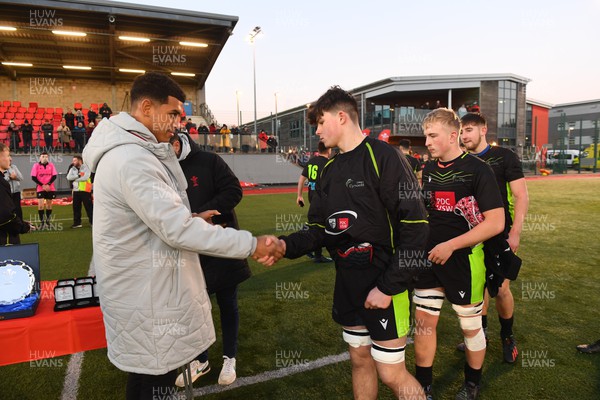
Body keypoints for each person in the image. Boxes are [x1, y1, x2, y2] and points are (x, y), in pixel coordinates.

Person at [82, 71, 282, 400]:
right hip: (148, 301)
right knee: (152, 386)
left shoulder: (135, 152)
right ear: (147, 107)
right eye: (173, 113)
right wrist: (252, 243)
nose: (179, 122)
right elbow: (177, 230)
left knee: (149, 381)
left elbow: (165, 221)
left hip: (146, 296)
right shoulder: (131, 158)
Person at [276, 86, 429, 400]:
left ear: (341, 116)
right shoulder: (329, 171)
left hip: (385, 284)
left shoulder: (384, 157)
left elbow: (416, 228)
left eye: (320, 121)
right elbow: (318, 230)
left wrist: (388, 287)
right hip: (348, 283)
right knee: (360, 361)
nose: (316, 130)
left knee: (390, 371)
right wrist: (284, 246)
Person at [415, 108, 505, 400]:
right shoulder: (428, 170)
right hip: (430, 260)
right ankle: (424, 388)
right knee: (424, 325)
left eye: (432, 135)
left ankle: (472, 386)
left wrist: (452, 245)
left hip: (464, 260)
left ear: (453, 136)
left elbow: (496, 223)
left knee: (470, 328)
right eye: (425, 136)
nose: (426, 142)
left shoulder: (479, 169)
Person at [170, 132, 251, 387]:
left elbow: (234, 191)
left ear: (174, 143)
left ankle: (230, 358)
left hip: (219, 243)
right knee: (195, 307)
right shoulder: (162, 167)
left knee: (228, 303)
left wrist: (206, 213)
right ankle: (201, 360)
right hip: (188, 249)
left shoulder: (209, 160)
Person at [458, 112, 529, 363]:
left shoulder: (504, 156)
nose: (464, 135)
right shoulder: (461, 159)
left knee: (500, 289)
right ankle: (481, 333)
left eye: (468, 130)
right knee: (477, 288)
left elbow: (520, 195)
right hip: (471, 234)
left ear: (483, 130)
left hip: (499, 233)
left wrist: (515, 232)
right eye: (461, 131)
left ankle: (507, 338)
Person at [296, 140, 332, 263]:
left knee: (317, 224)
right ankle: (310, 247)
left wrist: (299, 196)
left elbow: (301, 180)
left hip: (313, 197)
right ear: (329, 150)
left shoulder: (311, 161)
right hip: (322, 200)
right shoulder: (328, 164)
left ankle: (315, 253)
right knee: (320, 226)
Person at [0, 143, 31, 245]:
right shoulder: (2, 183)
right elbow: (6, 215)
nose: (10, 159)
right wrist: (22, 226)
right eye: (8, 155)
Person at [31, 152, 57, 229]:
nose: (44, 158)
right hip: (40, 188)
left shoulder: (51, 165)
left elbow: (54, 176)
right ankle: (42, 223)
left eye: (46, 157)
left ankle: (48, 222)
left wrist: (48, 184)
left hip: (50, 188)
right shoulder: (36, 166)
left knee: (49, 205)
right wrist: (43, 185)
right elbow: (33, 177)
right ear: (40, 158)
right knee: (41, 205)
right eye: (43, 156)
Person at [66, 155, 93, 228]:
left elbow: (85, 177)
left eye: (75, 160)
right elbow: (68, 177)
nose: (73, 162)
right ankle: (77, 223)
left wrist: (74, 179)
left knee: (89, 207)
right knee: (76, 208)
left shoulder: (86, 167)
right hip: (76, 190)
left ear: (79, 160)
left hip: (85, 190)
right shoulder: (72, 168)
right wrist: (78, 176)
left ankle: (93, 222)